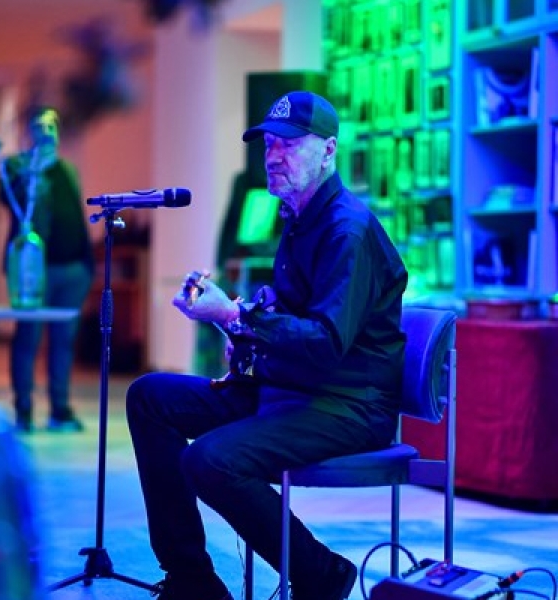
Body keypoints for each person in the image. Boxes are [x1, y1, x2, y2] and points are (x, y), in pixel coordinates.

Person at [126, 91, 408, 600]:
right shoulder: (298, 218)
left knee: (210, 460)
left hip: (347, 405)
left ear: (328, 151)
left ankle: (321, 574)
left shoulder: (347, 230)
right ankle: (192, 581)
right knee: (149, 397)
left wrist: (235, 315)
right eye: (268, 144)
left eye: (289, 144)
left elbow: (324, 343)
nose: (274, 155)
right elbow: (289, 321)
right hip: (293, 390)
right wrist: (236, 329)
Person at [0, 106, 94, 433]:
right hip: (33, 273)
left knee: (64, 341)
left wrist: (87, 263)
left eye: (53, 125)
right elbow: (7, 199)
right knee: (28, 338)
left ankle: (60, 410)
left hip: (74, 270)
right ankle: (23, 410)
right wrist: (31, 174)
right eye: (41, 126)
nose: (48, 132)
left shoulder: (68, 169)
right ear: (29, 131)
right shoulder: (17, 167)